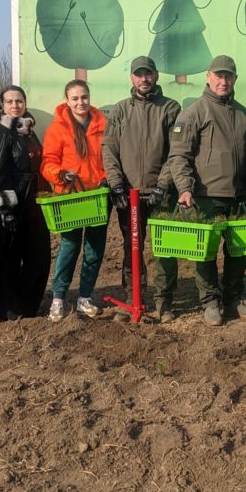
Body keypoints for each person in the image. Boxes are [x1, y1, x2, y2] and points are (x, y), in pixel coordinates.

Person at [168, 55, 246, 326]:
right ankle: (210, 302)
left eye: (228, 76)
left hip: (238, 196)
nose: (223, 80)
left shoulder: (243, 113)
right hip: (206, 196)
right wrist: (184, 188)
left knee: (238, 252)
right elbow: (178, 156)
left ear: (235, 79)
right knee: (205, 252)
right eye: (218, 75)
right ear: (207, 76)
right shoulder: (193, 112)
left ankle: (234, 299)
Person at [102, 56, 182, 322]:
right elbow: (110, 150)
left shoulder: (170, 108)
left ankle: (164, 301)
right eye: (138, 74)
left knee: (164, 248)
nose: (144, 79)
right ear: (132, 78)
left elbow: (176, 152)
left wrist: (163, 185)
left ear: (156, 76)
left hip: (160, 192)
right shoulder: (120, 110)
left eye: (148, 74)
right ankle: (133, 298)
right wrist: (116, 185)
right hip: (129, 195)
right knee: (131, 247)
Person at [40, 79, 108, 322]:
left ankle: (85, 297)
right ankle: (58, 297)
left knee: (94, 248)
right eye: (75, 98)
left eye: (84, 97)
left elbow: (110, 157)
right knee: (69, 246)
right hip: (69, 197)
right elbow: (47, 162)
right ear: (67, 100)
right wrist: (60, 174)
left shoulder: (102, 124)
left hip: (97, 197)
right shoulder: (58, 128)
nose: (81, 102)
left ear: (90, 97)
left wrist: (106, 178)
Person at [0, 85, 51, 320]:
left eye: (19, 101)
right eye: (10, 102)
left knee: (39, 255)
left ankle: (26, 305)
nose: (15, 106)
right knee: (7, 258)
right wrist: (4, 208)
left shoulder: (29, 130)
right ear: (2, 105)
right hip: (11, 204)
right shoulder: (0, 132)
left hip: (33, 202)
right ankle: (5, 310)